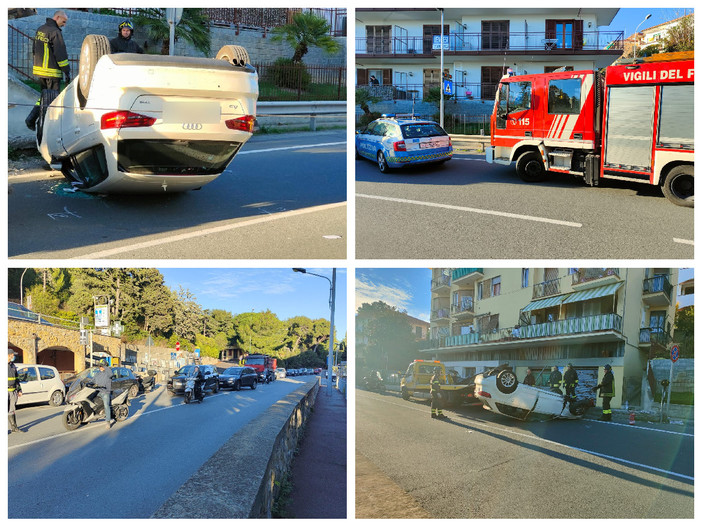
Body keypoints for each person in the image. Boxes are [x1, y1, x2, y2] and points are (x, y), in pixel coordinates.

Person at [25, 10, 70, 131]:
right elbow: (60, 54)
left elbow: (34, 48)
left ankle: (34, 119)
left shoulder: (41, 29)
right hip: (52, 72)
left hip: (40, 70)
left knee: (44, 96)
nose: (64, 24)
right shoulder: (55, 32)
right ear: (57, 17)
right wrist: (66, 70)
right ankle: (40, 123)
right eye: (63, 22)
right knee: (51, 98)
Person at [8, 349, 26, 433]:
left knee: (11, 410)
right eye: (12, 355)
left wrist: (19, 389)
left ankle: (14, 428)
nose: (13, 356)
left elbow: (17, 379)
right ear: (8, 355)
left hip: (13, 391)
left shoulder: (13, 365)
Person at [93, 360, 113, 429]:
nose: (100, 367)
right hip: (98, 391)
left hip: (105, 392)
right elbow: (93, 380)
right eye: (100, 366)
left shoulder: (108, 373)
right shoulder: (97, 374)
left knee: (106, 405)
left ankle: (108, 421)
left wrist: (105, 367)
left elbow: (111, 374)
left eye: (102, 366)